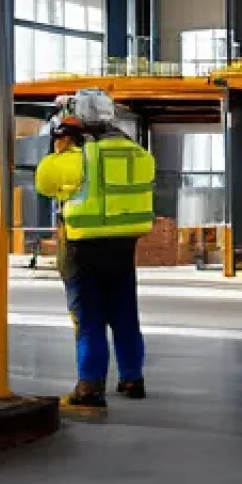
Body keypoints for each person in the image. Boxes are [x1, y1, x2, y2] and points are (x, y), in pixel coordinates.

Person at [34, 114, 156, 414]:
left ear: (70, 136)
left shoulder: (72, 159)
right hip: (122, 245)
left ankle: (89, 387)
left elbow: (43, 183)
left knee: (88, 321)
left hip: (83, 249)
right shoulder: (137, 154)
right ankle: (132, 379)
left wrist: (60, 151)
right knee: (125, 314)